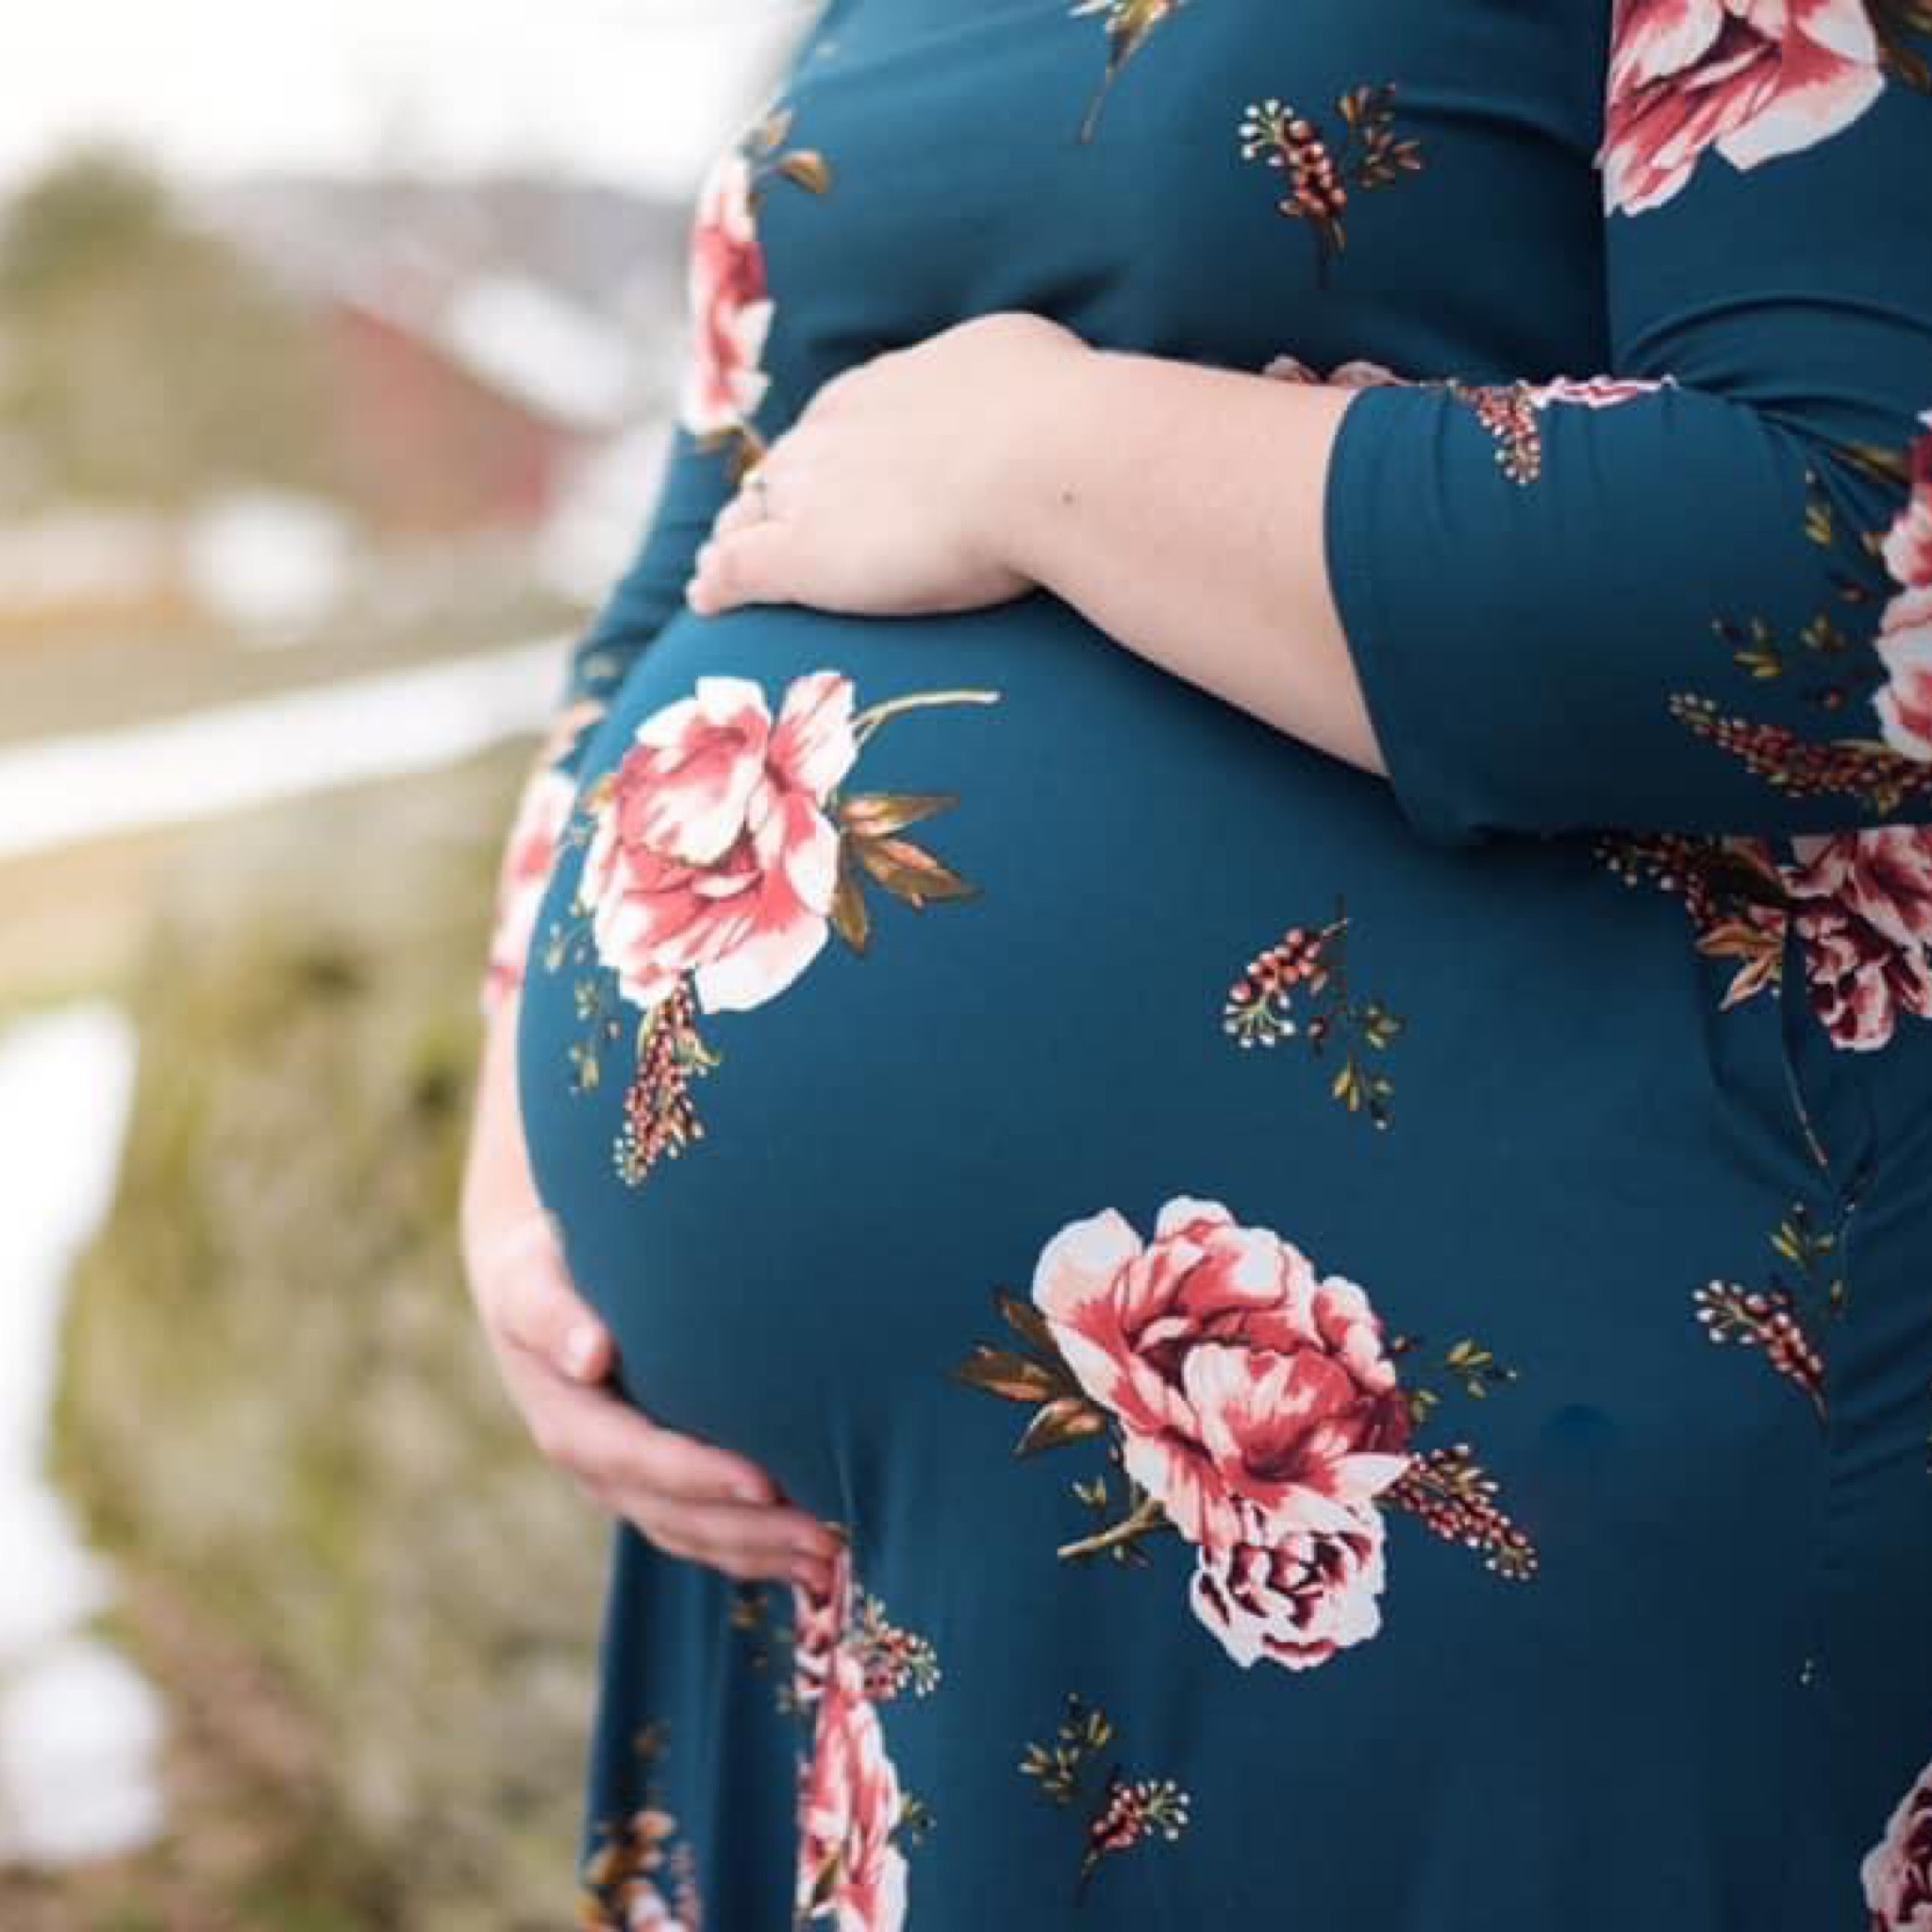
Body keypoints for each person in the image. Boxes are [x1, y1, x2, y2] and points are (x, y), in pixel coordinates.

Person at [459, 1, 1932, 1924]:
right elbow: (702, 544)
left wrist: (1040, 456)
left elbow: (1854, 571)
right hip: (833, 1589)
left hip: (1485, 1518)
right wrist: (515, 1179)